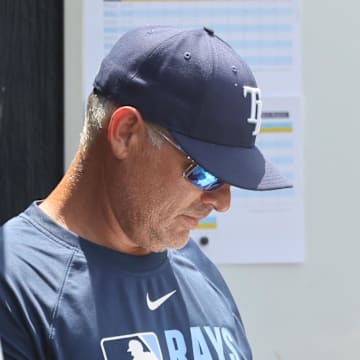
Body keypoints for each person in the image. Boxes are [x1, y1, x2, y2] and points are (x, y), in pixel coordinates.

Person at [0, 25, 291, 359]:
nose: (222, 203)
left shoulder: (198, 270)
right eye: (207, 174)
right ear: (125, 134)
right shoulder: (17, 282)